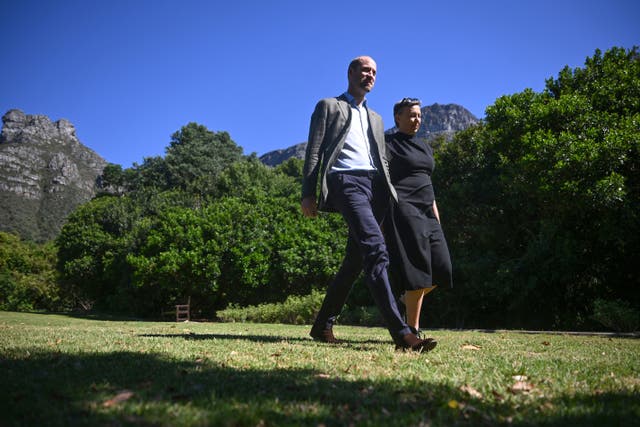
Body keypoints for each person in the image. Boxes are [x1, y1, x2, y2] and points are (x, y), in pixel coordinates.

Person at [301, 56, 436, 352]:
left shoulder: (376, 118)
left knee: (355, 260)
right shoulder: (329, 106)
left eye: (374, 72)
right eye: (365, 70)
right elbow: (313, 152)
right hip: (344, 181)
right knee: (376, 249)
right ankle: (403, 335)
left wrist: (392, 196)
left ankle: (322, 325)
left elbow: (383, 161)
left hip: (374, 188)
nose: (370, 75)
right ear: (350, 72)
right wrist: (308, 193)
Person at [383, 98, 453, 336]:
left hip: (428, 211)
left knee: (442, 269)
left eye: (419, 116)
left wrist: (436, 215)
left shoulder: (424, 146)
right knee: (417, 272)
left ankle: (405, 299)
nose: (417, 120)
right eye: (411, 115)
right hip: (405, 209)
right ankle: (413, 330)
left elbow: (427, 181)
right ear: (398, 118)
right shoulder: (388, 143)